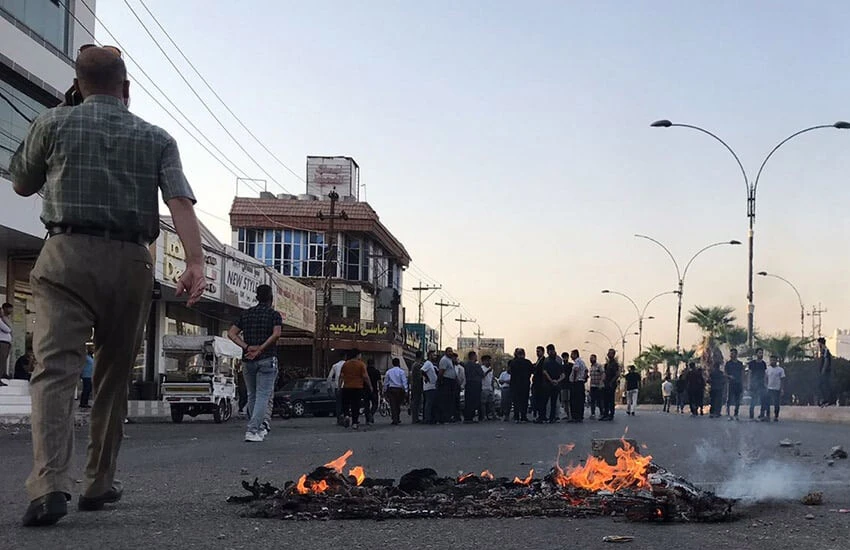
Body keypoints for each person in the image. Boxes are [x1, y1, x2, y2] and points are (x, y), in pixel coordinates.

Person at [10, 47, 207, 528]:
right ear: (126, 88)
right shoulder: (155, 137)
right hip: (130, 262)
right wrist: (196, 261)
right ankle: (98, 481)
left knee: (55, 371)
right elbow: (179, 201)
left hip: (65, 256)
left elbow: (20, 183)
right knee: (114, 374)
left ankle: (50, 484)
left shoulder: (53, 123)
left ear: (79, 84)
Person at [228, 284, 282, 442]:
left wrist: (247, 347)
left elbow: (231, 333)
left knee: (252, 395)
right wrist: (261, 348)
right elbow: (276, 334)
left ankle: (256, 428)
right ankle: (253, 429)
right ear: (271, 298)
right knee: (263, 396)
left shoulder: (246, 314)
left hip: (248, 360)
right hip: (267, 358)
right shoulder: (274, 315)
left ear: (257, 297)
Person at [338, 349, 372, 429]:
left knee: (345, 403)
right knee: (355, 405)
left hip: (346, 387)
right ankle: (354, 422)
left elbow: (341, 376)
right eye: (360, 355)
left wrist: (339, 386)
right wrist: (370, 386)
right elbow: (365, 377)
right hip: (357, 387)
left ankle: (346, 415)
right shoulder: (361, 364)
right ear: (357, 355)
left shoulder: (346, 364)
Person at [541, 345, 564, 423]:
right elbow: (563, 375)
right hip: (556, 385)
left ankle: (545, 417)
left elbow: (544, 372)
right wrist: (557, 381)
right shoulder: (559, 361)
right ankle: (553, 417)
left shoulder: (546, 361)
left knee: (546, 401)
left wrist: (551, 380)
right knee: (554, 402)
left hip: (548, 385)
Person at [508, 348, 532, 423]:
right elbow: (532, 371)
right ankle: (523, 417)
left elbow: (509, 371)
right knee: (524, 401)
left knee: (516, 401)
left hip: (515, 385)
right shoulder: (528, 362)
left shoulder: (512, 362)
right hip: (525, 384)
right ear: (524, 354)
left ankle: (516, 417)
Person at [383, 358, 408, 425]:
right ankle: (397, 417)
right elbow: (404, 381)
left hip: (391, 389)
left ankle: (395, 419)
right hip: (399, 390)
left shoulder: (389, 372)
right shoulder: (401, 372)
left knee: (393, 404)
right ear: (399, 363)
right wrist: (406, 390)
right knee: (398, 404)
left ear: (392, 363)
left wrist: (384, 390)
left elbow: (386, 382)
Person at [437, 348, 458, 423]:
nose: (451, 353)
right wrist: (440, 381)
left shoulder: (450, 360)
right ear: (446, 352)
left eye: (451, 351)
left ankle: (448, 417)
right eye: (449, 351)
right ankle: (443, 418)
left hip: (451, 382)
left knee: (450, 401)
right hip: (446, 382)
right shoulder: (444, 360)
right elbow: (441, 372)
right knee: (445, 401)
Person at [747, 348, 768, 420]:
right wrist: (749, 384)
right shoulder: (752, 363)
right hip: (754, 384)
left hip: (761, 384)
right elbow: (749, 374)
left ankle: (762, 415)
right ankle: (751, 416)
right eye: (759, 353)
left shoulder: (763, 364)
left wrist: (765, 384)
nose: (761, 354)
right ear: (756, 354)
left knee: (763, 400)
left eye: (762, 353)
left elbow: (765, 374)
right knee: (753, 400)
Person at [463, 351, 484, 423]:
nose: (476, 357)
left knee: (468, 401)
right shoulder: (476, 366)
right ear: (473, 356)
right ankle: (474, 416)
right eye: (475, 356)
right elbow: (482, 374)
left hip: (468, 384)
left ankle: (467, 417)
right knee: (475, 401)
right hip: (476, 384)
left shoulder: (466, 365)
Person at [600, 349, 620, 421]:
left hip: (611, 384)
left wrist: (611, 382)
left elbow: (617, 374)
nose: (608, 354)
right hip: (606, 383)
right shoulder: (608, 363)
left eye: (610, 353)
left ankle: (611, 415)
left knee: (611, 400)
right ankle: (605, 414)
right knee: (606, 400)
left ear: (613, 354)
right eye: (608, 353)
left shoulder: (614, 364)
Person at [724, 348, 744, 420]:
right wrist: (729, 376)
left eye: (732, 353)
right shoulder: (728, 363)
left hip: (738, 383)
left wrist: (742, 383)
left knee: (737, 399)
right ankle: (728, 413)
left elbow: (742, 373)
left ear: (736, 354)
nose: (731, 355)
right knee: (729, 398)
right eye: (731, 353)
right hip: (731, 383)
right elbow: (725, 373)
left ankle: (736, 413)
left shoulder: (740, 364)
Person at [764, 354, 785, 422]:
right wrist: (766, 386)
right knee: (767, 403)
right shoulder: (768, 369)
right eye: (771, 360)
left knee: (776, 403)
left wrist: (782, 389)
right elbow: (766, 378)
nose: (772, 361)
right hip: (769, 388)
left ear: (776, 361)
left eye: (774, 360)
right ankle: (767, 416)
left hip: (777, 388)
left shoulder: (780, 370)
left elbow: (782, 380)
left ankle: (776, 416)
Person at [531, 346, 549, 423]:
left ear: (543, 352)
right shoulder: (538, 360)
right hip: (537, 384)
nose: (537, 353)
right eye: (536, 351)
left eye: (539, 351)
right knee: (537, 401)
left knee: (541, 401)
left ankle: (542, 417)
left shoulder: (544, 361)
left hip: (541, 384)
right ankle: (541, 416)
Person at [568, 349, 587, 422]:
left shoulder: (577, 361)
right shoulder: (582, 361)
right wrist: (584, 378)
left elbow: (576, 369)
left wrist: (575, 379)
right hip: (581, 382)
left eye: (572, 354)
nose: (571, 356)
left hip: (576, 383)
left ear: (575, 354)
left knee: (574, 400)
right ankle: (580, 416)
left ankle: (575, 416)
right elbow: (586, 371)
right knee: (580, 400)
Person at [421, 352, 439, 424]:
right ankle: (427, 419)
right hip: (429, 387)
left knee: (432, 403)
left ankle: (431, 418)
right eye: (433, 355)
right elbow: (422, 370)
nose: (435, 357)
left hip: (433, 386)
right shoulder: (428, 363)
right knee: (429, 403)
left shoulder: (431, 364)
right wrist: (427, 377)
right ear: (429, 356)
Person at [327, 358, 345, 424]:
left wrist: (329, 387)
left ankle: (339, 419)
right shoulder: (347, 364)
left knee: (338, 404)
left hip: (337, 387)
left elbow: (329, 377)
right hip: (346, 387)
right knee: (345, 403)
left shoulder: (335, 366)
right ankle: (345, 416)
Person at [817, 338, 833, 407]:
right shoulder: (822, 351)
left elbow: (826, 361)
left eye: (819, 343)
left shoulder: (826, 351)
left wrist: (823, 371)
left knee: (823, 386)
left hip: (825, 372)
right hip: (823, 371)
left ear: (821, 343)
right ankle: (825, 400)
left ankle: (827, 400)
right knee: (822, 386)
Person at [587, 354, 604, 419]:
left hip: (598, 386)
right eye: (590, 358)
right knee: (592, 400)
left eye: (592, 358)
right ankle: (593, 413)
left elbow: (603, 374)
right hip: (592, 386)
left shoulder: (599, 366)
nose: (591, 359)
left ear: (595, 358)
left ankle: (602, 413)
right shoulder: (591, 367)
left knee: (599, 400)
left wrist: (601, 382)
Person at [409, 351, 424, 423]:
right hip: (417, 385)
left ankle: (415, 417)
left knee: (416, 401)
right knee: (416, 401)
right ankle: (415, 418)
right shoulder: (418, 365)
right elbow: (419, 377)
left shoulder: (414, 364)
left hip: (414, 385)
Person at [480, 355, 495, 421]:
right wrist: (488, 371)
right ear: (483, 361)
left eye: (489, 360)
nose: (489, 362)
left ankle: (493, 415)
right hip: (484, 388)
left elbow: (492, 379)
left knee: (491, 403)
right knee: (483, 403)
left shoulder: (491, 369)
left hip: (490, 388)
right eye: (487, 360)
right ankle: (484, 416)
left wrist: (492, 386)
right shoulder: (481, 368)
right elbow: (482, 376)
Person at [365, 360, 381, 425]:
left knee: (366, 405)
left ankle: (367, 419)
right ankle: (371, 413)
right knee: (375, 404)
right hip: (374, 390)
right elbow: (379, 382)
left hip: (365, 390)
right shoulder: (376, 371)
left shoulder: (365, 371)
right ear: (374, 364)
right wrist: (381, 389)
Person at [0, 303, 12, 378]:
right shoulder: (0, 320)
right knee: (2, 360)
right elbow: (8, 329)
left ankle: (3, 373)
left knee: (4, 360)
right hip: (2, 341)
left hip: (6, 342)